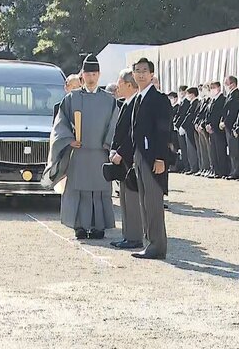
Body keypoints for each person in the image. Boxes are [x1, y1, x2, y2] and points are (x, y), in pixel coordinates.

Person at [44, 54, 118, 239]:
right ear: (82, 75)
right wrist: (69, 139)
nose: (91, 78)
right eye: (87, 74)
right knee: (79, 189)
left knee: (100, 190)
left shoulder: (109, 100)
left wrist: (108, 143)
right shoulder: (72, 98)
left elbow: (115, 124)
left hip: (100, 153)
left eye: (94, 74)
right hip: (78, 152)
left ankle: (99, 226)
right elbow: (60, 122)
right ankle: (80, 226)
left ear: (99, 75)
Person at [129, 57, 172, 260]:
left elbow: (164, 130)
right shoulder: (138, 98)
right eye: (137, 71)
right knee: (144, 201)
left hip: (153, 157)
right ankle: (149, 242)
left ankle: (157, 245)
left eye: (144, 71)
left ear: (152, 74)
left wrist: (161, 158)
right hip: (139, 155)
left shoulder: (158, 99)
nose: (141, 74)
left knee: (153, 202)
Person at [109, 68, 144, 249]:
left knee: (132, 200)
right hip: (122, 159)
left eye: (120, 83)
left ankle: (134, 237)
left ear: (129, 84)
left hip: (130, 159)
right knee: (124, 198)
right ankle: (128, 235)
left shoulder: (136, 104)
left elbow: (133, 134)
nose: (117, 86)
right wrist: (113, 149)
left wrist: (121, 152)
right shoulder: (126, 103)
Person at [221, 76, 239, 179]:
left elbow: (233, 112)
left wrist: (225, 122)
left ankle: (236, 171)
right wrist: (222, 121)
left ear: (233, 84)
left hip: (232, 125)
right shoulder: (229, 95)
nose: (225, 86)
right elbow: (225, 110)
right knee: (231, 149)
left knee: (235, 150)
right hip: (227, 126)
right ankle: (233, 169)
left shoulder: (236, 95)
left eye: (227, 83)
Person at [206, 81, 228, 178]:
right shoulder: (212, 100)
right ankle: (215, 170)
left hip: (218, 129)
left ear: (219, 88)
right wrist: (207, 124)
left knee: (220, 151)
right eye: (211, 88)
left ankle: (222, 171)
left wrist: (213, 125)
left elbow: (219, 114)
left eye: (213, 87)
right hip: (211, 129)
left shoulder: (222, 99)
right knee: (213, 151)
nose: (212, 89)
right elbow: (209, 114)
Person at [180, 87, 201, 175]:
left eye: (188, 94)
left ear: (192, 94)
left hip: (190, 129)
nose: (187, 96)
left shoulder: (195, 103)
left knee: (192, 148)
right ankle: (192, 167)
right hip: (188, 129)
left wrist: (183, 125)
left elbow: (190, 116)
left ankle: (194, 167)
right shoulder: (192, 103)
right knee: (189, 149)